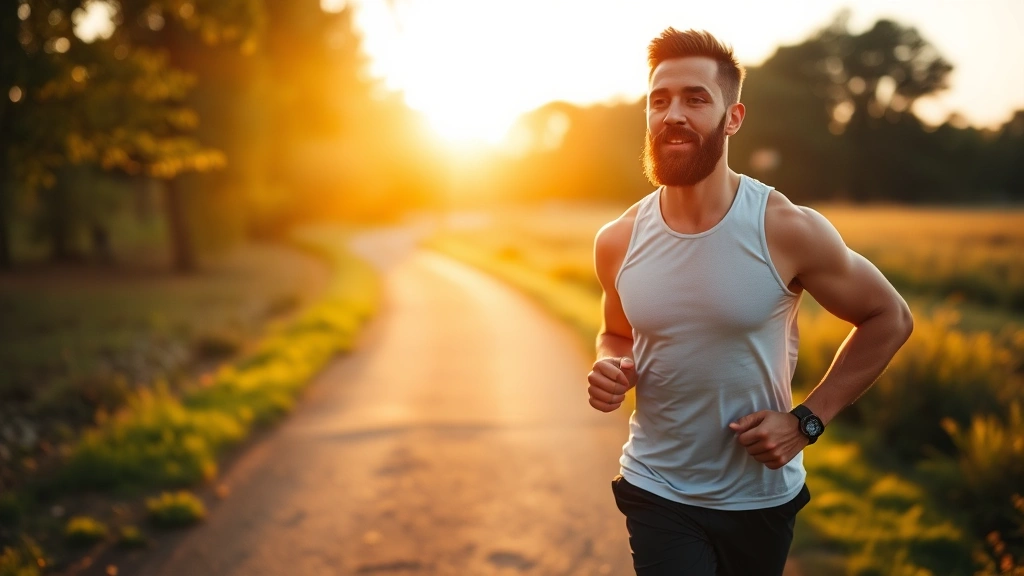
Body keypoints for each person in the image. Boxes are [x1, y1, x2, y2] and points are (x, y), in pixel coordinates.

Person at [587, 28, 914, 576]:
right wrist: (610, 364)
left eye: (696, 99)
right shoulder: (617, 240)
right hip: (656, 486)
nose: (673, 114)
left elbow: (890, 318)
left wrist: (807, 421)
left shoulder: (785, 229)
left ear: (733, 117)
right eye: (659, 100)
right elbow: (617, 332)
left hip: (761, 496)